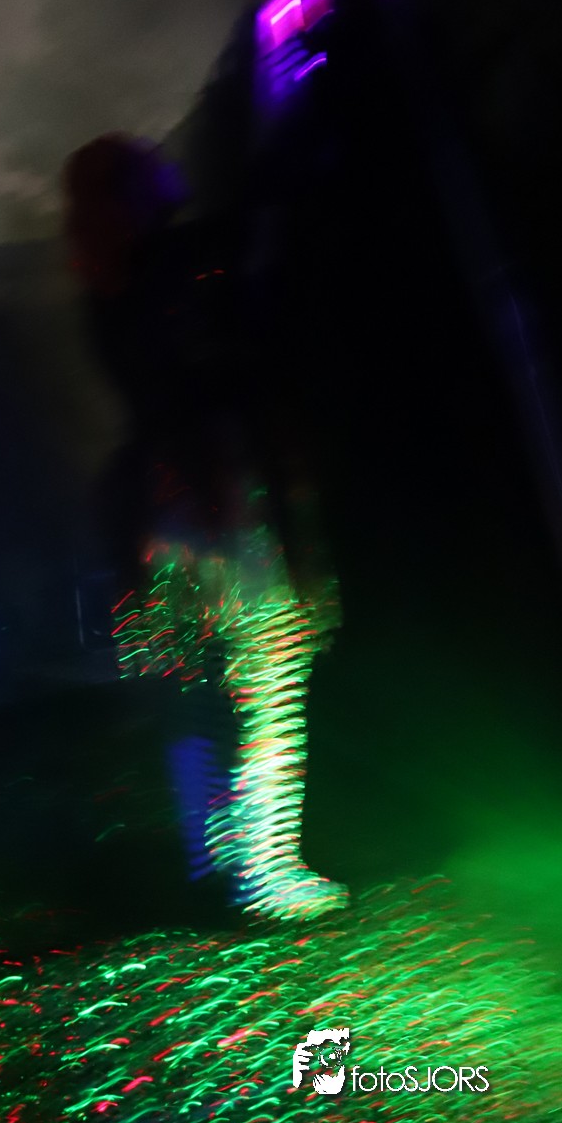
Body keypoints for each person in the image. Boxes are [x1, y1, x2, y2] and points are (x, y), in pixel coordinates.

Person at [64, 132, 346, 919]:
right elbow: (224, 360)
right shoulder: (179, 264)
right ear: (136, 189)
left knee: (193, 690)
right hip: (220, 491)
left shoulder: (103, 285)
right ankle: (267, 870)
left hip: (161, 508)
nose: (170, 166)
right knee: (271, 678)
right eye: (150, 165)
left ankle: (210, 858)